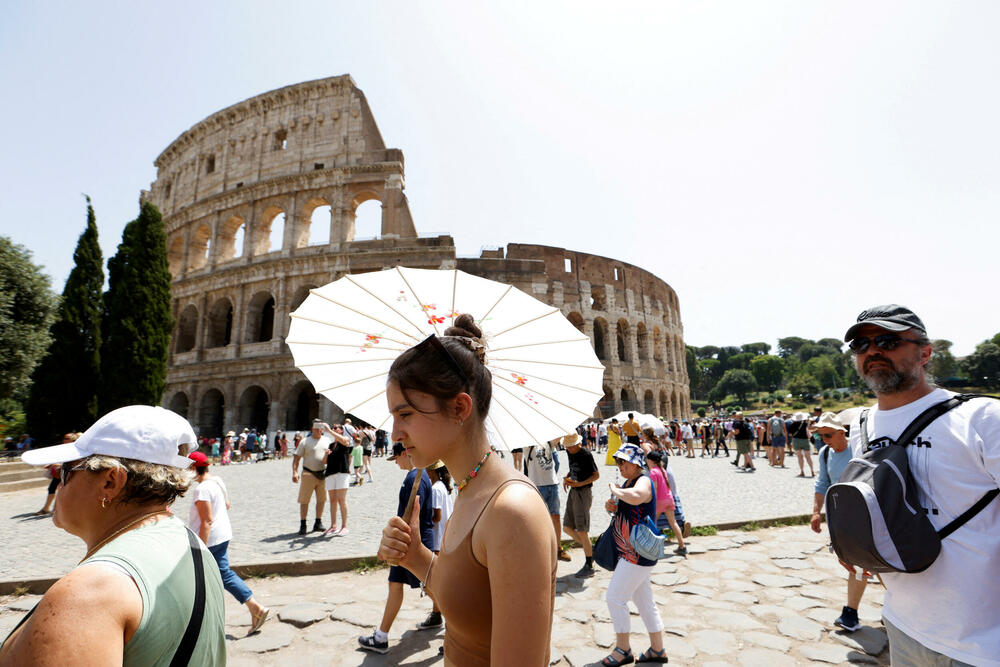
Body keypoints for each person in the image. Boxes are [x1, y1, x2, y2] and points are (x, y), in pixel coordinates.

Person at [376, 314, 557, 665]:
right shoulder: (469, 489)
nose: (395, 433)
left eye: (406, 414)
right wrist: (415, 557)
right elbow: (469, 605)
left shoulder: (511, 512)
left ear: (459, 407)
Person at [2, 405, 226, 665]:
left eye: (65, 471)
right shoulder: (193, 544)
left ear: (110, 481)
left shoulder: (88, 594)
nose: (59, 484)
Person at [841, 304, 1000, 665]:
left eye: (887, 340)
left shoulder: (981, 419)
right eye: (860, 346)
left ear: (925, 353)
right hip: (903, 623)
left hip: (982, 641)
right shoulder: (861, 425)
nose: (872, 351)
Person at [359, 443, 436, 653]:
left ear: (405, 453)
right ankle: (382, 635)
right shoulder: (419, 476)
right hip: (411, 541)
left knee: (431, 586)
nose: (397, 464)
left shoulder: (414, 478)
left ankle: (455, 624)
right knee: (404, 584)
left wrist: (390, 545)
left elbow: (410, 515)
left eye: (397, 459)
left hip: (408, 542)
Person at [188, 450, 270, 633]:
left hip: (210, 540)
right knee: (215, 576)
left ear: (194, 468)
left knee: (220, 575)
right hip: (223, 534)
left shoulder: (202, 489)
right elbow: (226, 505)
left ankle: (255, 607)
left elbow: (206, 520)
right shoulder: (217, 481)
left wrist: (201, 546)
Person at [600, 443, 667, 665]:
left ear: (635, 463)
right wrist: (612, 504)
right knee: (644, 601)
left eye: (622, 461)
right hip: (630, 552)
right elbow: (625, 506)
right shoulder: (629, 482)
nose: (619, 465)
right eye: (617, 461)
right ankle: (657, 650)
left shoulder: (644, 480)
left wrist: (615, 489)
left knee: (614, 598)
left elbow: (638, 497)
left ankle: (623, 649)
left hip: (637, 553)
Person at [809, 410, 869, 633]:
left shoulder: (860, 450)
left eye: (828, 435)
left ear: (841, 432)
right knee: (855, 563)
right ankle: (853, 612)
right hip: (841, 518)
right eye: (820, 436)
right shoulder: (825, 453)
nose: (824, 440)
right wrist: (816, 512)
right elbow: (822, 483)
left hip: (866, 517)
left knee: (869, 564)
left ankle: (851, 612)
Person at [417, 460, 454, 632]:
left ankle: (443, 615)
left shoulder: (435, 489)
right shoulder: (444, 487)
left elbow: (437, 516)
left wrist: (424, 522)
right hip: (444, 537)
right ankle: (436, 612)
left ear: (431, 472)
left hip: (437, 538)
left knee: (434, 581)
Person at [561, 433, 600, 578]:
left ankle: (589, 565)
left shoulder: (586, 455)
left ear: (578, 444)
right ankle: (592, 548)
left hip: (583, 492)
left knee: (582, 530)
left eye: (571, 446)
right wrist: (568, 477)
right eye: (567, 446)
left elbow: (596, 475)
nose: (569, 449)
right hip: (574, 491)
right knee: (567, 528)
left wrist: (580, 483)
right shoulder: (569, 452)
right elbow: (574, 468)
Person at [292, 419, 332, 535]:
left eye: (322, 428)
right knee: (304, 500)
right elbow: (296, 458)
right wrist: (295, 472)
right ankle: (303, 523)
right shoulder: (305, 441)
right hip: (308, 473)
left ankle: (318, 522)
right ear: (313, 429)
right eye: (318, 428)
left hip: (323, 474)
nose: (320, 430)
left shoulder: (327, 440)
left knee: (322, 500)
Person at [645, 449, 686, 556]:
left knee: (652, 524)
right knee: (673, 523)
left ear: (651, 461)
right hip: (669, 498)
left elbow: (655, 487)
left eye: (647, 460)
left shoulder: (653, 471)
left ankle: (650, 547)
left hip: (659, 500)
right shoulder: (662, 469)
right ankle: (682, 545)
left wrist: (649, 499)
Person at [35, 432, 80, 515]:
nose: (64, 440)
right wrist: (51, 464)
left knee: (60, 490)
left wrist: (57, 465)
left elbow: (73, 463)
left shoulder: (75, 449)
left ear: (72, 440)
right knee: (52, 488)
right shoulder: (64, 448)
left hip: (68, 472)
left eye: (67, 438)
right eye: (64, 438)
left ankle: (54, 509)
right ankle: (48, 509)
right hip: (60, 472)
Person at [322, 423, 354, 537]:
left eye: (336, 428)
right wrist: (326, 455)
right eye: (333, 427)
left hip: (342, 473)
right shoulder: (331, 445)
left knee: (341, 499)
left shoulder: (345, 439)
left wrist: (329, 430)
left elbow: (345, 442)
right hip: (330, 473)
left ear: (341, 430)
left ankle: (344, 526)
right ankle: (333, 525)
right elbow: (324, 462)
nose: (334, 429)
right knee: (332, 500)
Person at [789, 412, 814, 477]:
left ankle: (802, 471)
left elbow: (790, 434)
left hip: (796, 440)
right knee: (808, 457)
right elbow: (808, 432)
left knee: (800, 457)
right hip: (805, 440)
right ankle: (812, 471)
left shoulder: (792, 424)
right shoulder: (805, 424)